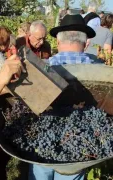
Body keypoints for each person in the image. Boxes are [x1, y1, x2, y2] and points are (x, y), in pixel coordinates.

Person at [29, 14, 96, 180]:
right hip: (78, 144)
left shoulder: (43, 68)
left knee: (40, 173)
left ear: (58, 42)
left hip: (43, 140)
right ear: (85, 42)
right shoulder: (99, 70)